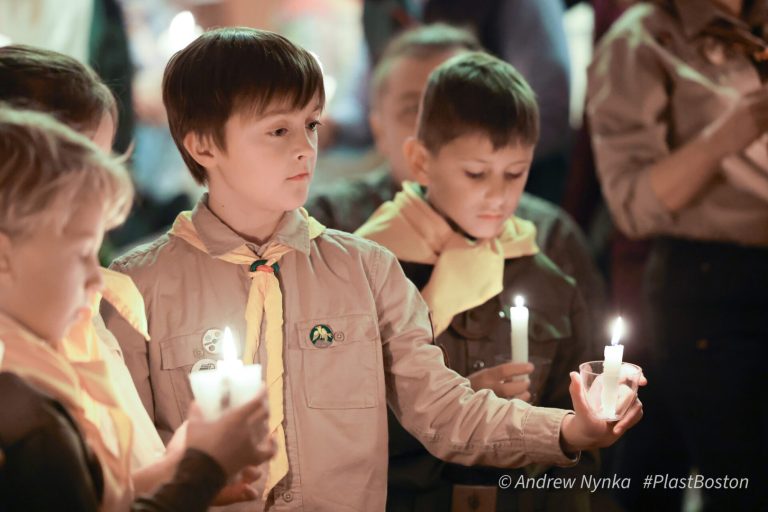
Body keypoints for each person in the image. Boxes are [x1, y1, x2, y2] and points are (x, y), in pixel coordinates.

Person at [104, 27, 644, 511]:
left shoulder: (365, 270)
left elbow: (443, 410)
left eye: (311, 124)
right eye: (278, 131)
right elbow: (125, 463)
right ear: (203, 144)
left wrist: (572, 429)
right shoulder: (139, 288)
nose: (305, 149)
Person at [0, 44, 268, 505]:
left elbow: (91, 495)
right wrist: (198, 472)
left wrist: (175, 469)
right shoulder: (20, 407)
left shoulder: (62, 312)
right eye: (81, 162)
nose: (95, 277)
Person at [355, 50, 596, 512]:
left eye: (515, 173)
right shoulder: (369, 269)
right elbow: (340, 421)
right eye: (476, 173)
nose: (498, 195)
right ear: (421, 162)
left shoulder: (548, 279)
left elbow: (582, 443)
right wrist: (458, 403)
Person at [305, 24, 606, 347]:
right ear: (378, 127)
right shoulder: (330, 229)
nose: (437, 126)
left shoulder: (549, 238)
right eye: (415, 109)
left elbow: (589, 366)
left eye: (466, 108)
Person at [587, 0, 768, 510]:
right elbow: (631, 206)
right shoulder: (642, 40)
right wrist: (722, 138)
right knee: (741, 480)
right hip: (713, 285)